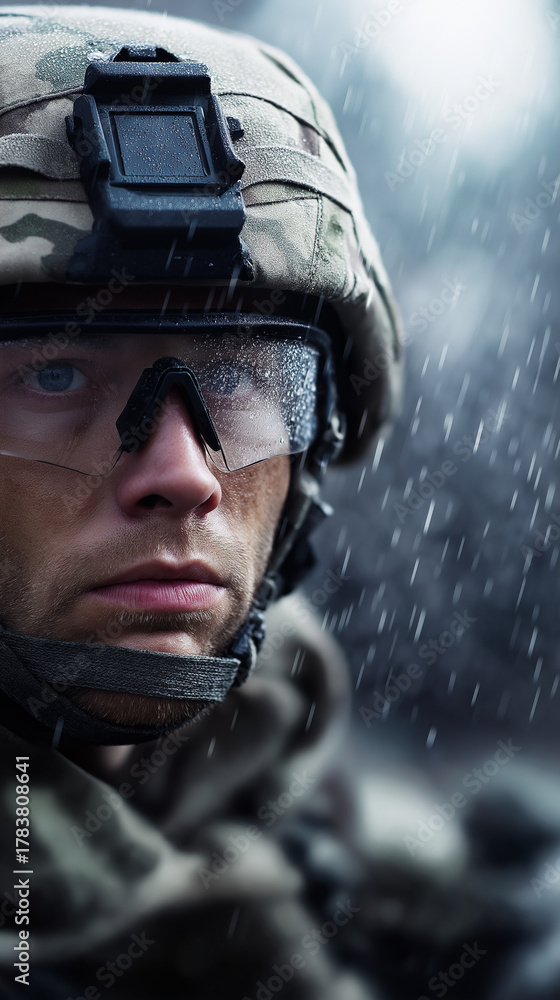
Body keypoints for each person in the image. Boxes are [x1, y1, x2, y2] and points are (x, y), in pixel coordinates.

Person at [0, 5, 401, 998]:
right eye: (54, 376)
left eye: (232, 377)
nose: (183, 475)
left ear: (315, 450)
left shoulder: (293, 801)